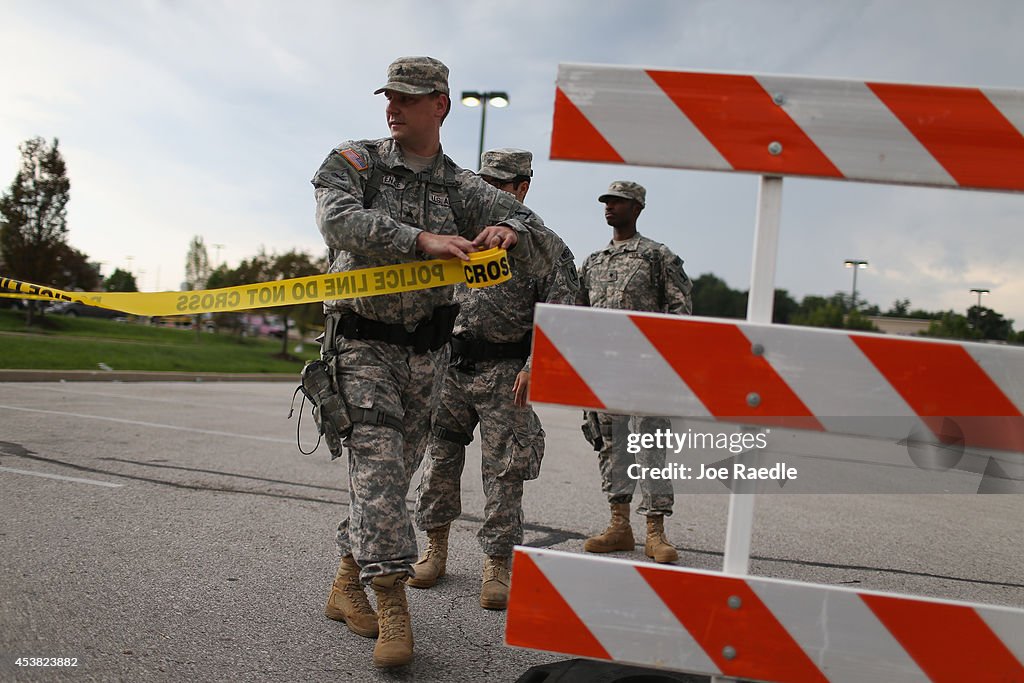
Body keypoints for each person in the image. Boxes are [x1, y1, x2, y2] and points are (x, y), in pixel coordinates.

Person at [312, 57, 564, 669]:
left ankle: (346, 580)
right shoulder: (357, 161)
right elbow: (337, 220)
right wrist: (420, 241)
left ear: (441, 105)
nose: (393, 107)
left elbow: (543, 242)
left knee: (396, 476)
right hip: (361, 343)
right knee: (377, 464)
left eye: (409, 97)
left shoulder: (460, 187)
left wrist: (506, 227)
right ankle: (392, 605)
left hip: (428, 354)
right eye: (390, 96)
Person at [410, 148, 578, 610]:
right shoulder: (459, 237)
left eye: (502, 185)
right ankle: (435, 549)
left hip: (507, 373)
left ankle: (497, 565)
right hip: (451, 368)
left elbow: (561, 315)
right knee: (439, 462)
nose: (492, 193)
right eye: (485, 183)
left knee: (505, 472)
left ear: (523, 188)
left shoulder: (544, 247)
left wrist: (533, 366)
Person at [576, 180, 693, 564]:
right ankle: (619, 525)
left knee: (650, 447)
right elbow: (577, 318)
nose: (609, 207)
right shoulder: (593, 262)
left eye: (618, 202)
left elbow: (681, 315)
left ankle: (655, 531)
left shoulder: (658, 257)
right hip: (603, 374)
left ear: (637, 207)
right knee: (611, 446)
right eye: (606, 201)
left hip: (645, 372)